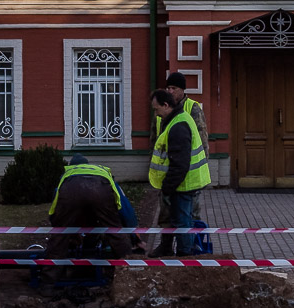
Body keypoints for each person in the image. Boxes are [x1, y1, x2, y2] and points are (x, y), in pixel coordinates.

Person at [141, 71, 210, 255]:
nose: (170, 91)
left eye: (174, 88)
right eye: (168, 87)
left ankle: (189, 250)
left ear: (182, 90)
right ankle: (167, 245)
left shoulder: (190, 109)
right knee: (168, 214)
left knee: (187, 216)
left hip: (184, 176)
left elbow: (201, 143)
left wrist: (197, 171)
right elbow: (155, 142)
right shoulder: (163, 112)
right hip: (170, 175)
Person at [46, 153, 134, 276]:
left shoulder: (67, 176)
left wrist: (59, 227)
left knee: (60, 237)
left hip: (72, 190)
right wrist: (133, 234)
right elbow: (125, 208)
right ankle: (131, 272)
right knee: (115, 231)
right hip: (101, 189)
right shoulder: (102, 173)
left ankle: (48, 284)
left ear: (71, 166)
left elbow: (56, 208)